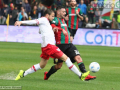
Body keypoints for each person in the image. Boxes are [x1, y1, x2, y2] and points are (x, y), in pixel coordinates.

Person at [14, 9, 90, 81]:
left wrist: (52, 30)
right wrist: (21, 22)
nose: (53, 18)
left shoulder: (46, 22)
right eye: (52, 16)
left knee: (42, 65)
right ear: (47, 15)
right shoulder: (43, 19)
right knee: (66, 58)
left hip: (45, 47)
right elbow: (34, 21)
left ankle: (23, 73)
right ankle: (81, 75)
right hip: (49, 46)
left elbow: (40, 31)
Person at [44, 6, 96, 81]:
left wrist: (70, 35)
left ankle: (86, 74)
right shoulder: (56, 19)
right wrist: (61, 29)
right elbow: (52, 26)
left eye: (65, 12)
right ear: (58, 12)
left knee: (78, 57)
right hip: (60, 46)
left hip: (69, 44)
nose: (65, 13)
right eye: (63, 12)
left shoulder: (64, 20)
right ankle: (47, 74)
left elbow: (67, 29)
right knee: (58, 66)